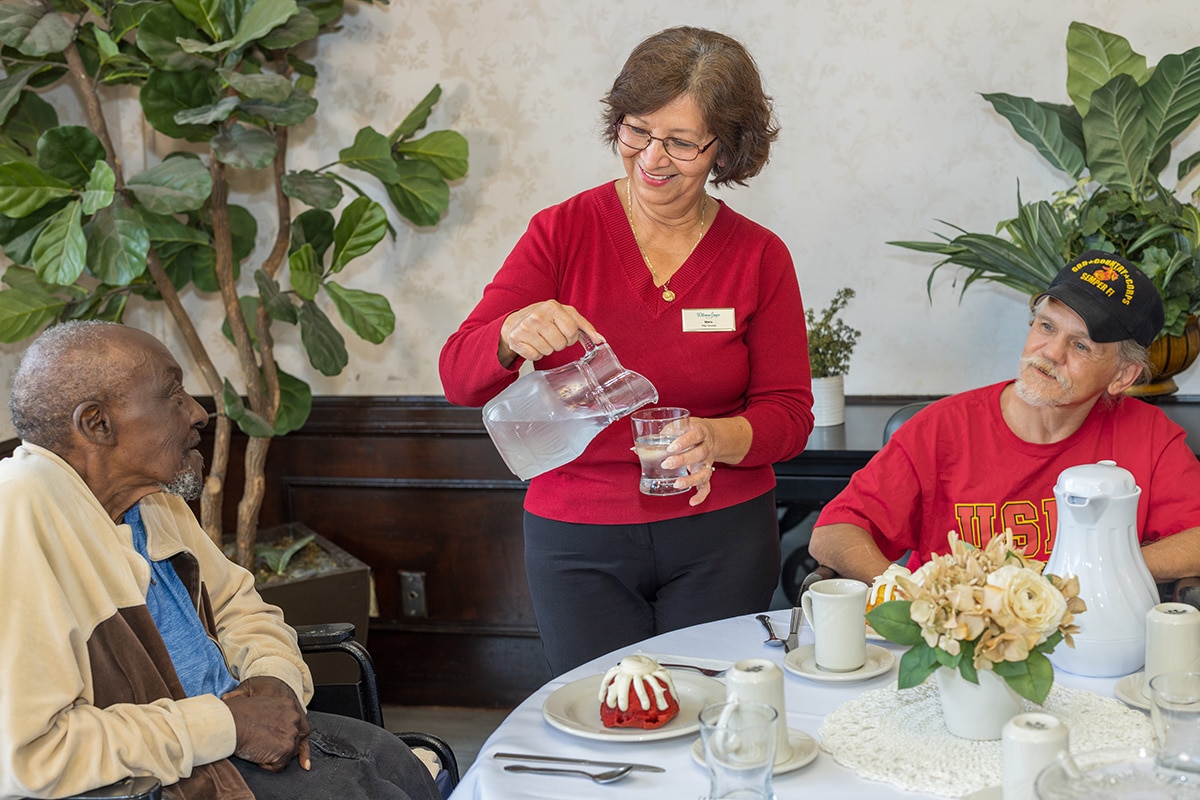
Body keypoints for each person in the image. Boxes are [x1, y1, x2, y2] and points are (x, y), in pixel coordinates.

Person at [439, 26, 813, 675]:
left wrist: (713, 440)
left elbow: (789, 414)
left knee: (710, 726)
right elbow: (458, 375)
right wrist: (507, 336)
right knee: (601, 726)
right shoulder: (562, 232)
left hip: (720, 537)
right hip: (577, 543)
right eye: (636, 131)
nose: (652, 159)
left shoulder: (759, 257)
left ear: (726, 149)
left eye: (682, 142)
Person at [0, 321, 440, 800]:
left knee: (393, 762)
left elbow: (238, 605)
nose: (198, 413)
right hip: (158, 779)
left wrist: (273, 679)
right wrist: (227, 724)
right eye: (172, 394)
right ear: (97, 424)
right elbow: (32, 756)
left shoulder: (149, 498)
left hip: (224, 735)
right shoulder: (18, 520)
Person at [809, 250, 1200, 585]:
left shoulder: (1151, 438)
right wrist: (903, 593)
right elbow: (834, 531)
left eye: (1080, 345)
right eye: (1046, 326)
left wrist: (1105, 570)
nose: (1050, 352)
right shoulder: (941, 428)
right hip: (951, 647)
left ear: (1121, 376)